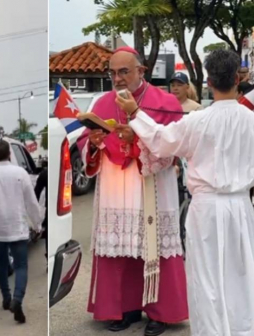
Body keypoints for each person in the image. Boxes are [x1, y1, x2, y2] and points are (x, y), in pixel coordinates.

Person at [122, 49, 254, 336]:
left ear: (207, 80)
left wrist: (134, 112)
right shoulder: (250, 121)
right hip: (241, 207)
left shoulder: (198, 121)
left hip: (206, 209)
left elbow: (159, 140)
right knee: (243, 279)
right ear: (236, 77)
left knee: (206, 282)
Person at [76, 46, 188, 336]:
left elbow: (172, 146)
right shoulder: (102, 103)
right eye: (112, 72)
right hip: (116, 183)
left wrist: (137, 140)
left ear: (141, 71)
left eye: (124, 71)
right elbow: (85, 146)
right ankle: (123, 308)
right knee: (120, 247)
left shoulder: (164, 102)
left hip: (151, 183)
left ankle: (159, 313)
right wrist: (96, 140)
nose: (118, 78)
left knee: (155, 246)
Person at [0, 139, 44, 324]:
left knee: (1, 265)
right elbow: (31, 203)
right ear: (10, 155)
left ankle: (6, 297)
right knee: (21, 266)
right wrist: (37, 225)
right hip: (17, 227)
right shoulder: (21, 173)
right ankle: (17, 299)